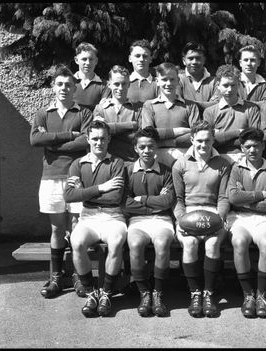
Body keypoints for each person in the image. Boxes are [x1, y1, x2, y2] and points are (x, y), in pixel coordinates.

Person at [30, 64, 93, 298]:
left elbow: (85, 142)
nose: (64, 88)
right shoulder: (42, 113)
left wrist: (52, 142)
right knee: (57, 228)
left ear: (75, 87)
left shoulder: (84, 113)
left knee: (76, 229)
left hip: (77, 178)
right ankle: (57, 278)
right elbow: (36, 140)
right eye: (60, 84)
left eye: (68, 84)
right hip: (51, 178)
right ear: (53, 87)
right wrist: (68, 135)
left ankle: (77, 276)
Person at [64, 120, 127, 317]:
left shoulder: (117, 163)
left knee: (116, 241)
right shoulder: (77, 164)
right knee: (76, 241)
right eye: (95, 138)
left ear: (108, 139)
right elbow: (69, 196)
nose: (99, 142)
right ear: (88, 139)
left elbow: (116, 197)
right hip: (88, 218)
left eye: (103, 138)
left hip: (113, 216)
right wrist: (101, 188)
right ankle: (91, 292)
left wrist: (84, 192)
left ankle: (107, 293)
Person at [172, 121, 231, 318]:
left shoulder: (223, 163)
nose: (203, 145)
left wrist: (220, 217)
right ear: (191, 140)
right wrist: (181, 219)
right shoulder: (180, 164)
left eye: (207, 140)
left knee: (213, 243)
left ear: (213, 139)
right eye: (199, 141)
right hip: (189, 212)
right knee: (189, 243)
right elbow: (178, 200)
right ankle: (195, 293)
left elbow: (223, 197)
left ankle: (208, 293)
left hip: (212, 212)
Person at [227, 128, 266, 318]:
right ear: (242, 148)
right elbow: (233, 197)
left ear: (263, 146)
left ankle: (261, 295)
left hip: (265, 219)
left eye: (256, 146)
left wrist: (247, 201)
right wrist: (260, 196)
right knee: (239, 241)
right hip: (239, 218)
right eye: (248, 146)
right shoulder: (236, 168)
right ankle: (248, 294)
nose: (252, 150)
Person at [124, 127, 176, 317]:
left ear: (157, 148)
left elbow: (167, 201)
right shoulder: (127, 171)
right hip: (137, 220)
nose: (147, 151)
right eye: (142, 147)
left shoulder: (166, 172)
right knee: (135, 244)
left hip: (162, 219)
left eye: (151, 146)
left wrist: (141, 199)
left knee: (162, 243)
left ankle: (158, 293)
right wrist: (152, 203)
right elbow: (125, 203)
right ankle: (144, 293)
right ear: (136, 148)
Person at [142, 62, 201, 167]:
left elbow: (196, 136)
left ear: (178, 81)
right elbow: (148, 135)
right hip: (157, 158)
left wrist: (163, 141)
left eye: (172, 79)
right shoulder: (149, 105)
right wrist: (180, 131)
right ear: (157, 81)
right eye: (164, 79)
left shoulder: (190, 105)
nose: (168, 83)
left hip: (185, 158)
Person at [203, 64, 261, 164]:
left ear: (238, 85)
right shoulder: (210, 112)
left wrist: (220, 136)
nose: (229, 90)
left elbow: (253, 139)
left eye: (233, 85)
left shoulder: (251, 109)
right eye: (225, 85)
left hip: (244, 157)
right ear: (218, 86)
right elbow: (208, 141)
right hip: (217, 157)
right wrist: (239, 132)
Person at [93, 65, 142, 162]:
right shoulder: (100, 109)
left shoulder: (138, 109)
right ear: (109, 84)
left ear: (129, 84)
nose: (120, 88)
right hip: (106, 163)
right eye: (116, 84)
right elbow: (98, 133)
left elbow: (138, 137)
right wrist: (131, 125)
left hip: (131, 162)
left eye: (124, 84)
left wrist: (109, 132)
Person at [177, 41, 217, 114]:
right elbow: (177, 104)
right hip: (184, 125)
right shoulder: (177, 80)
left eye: (198, 58)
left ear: (204, 60)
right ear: (184, 61)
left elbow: (216, 106)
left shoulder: (215, 82)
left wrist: (187, 103)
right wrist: (206, 105)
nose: (194, 62)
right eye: (190, 58)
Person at [73, 42, 110, 110]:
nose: (88, 63)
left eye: (91, 59)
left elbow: (104, 112)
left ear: (96, 61)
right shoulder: (68, 83)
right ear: (76, 60)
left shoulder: (104, 86)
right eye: (84, 59)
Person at [127, 39, 159, 104]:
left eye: (145, 56)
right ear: (130, 58)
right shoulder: (122, 83)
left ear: (150, 59)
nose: (141, 59)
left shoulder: (158, 84)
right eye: (137, 56)